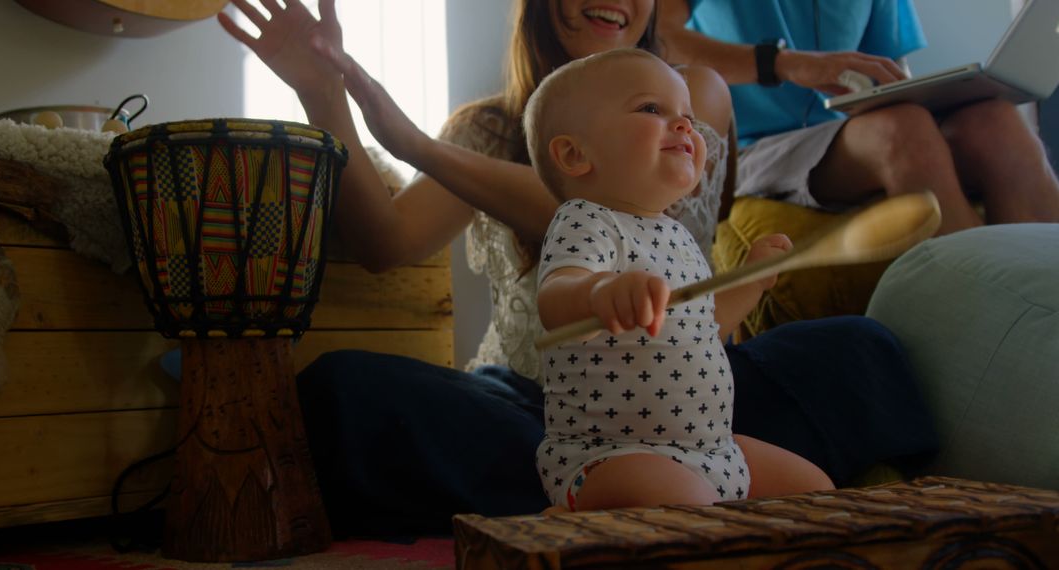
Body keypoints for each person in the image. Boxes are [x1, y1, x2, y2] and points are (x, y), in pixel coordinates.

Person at [218, 0, 936, 535]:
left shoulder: (694, 99)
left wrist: (746, 281)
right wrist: (324, 92)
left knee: (860, 349)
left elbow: (673, 264)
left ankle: (640, 501)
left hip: (694, 405)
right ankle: (606, 498)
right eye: (653, 111)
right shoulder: (491, 130)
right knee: (344, 391)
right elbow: (385, 242)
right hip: (542, 412)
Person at [528, 48, 832, 511]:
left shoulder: (677, 235)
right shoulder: (587, 220)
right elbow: (555, 300)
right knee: (687, 508)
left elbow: (706, 325)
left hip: (713, 452)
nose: (685, 126)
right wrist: (600, 293)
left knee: (816, 492)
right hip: (613, 458)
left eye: (688, 116)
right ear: (575, 154)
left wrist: (750, 282)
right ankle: (574, 519)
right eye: (652, 109)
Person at [656, 0, 1059, 235]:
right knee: (901, 131)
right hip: (753, 147)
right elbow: (662, 36)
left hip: (846, 134)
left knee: (996, 122)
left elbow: (891, 74)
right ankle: (990, 307)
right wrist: (783, 64)